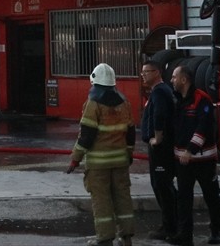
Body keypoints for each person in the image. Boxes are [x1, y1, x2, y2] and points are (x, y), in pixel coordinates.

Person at [66, 62, 136, 246]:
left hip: (98, 165)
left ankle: (105, 239)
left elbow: (86, 136)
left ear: (94, 81)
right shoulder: (125, 102)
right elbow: (130, 132)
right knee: (123, 197)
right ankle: (126, 237)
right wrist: (129, 154)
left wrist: (75, 159)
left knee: (102, 200)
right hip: (120, 161)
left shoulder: (93, 103)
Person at [172, 63, 220, 245]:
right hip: (183, 160)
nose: (172, 80)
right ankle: (185, 235)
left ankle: (216, 230)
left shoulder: (202, 100)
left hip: (203, 159)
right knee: (183, 198)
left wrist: (190, 150)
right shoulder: (177, 99)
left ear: (184, 79)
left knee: (211, 195)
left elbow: (204, 127)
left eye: (174, 77)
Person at [140, 57, 178, 243]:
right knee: (162, 186)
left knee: (162, 186)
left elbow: (159, 115)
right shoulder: (159, 91)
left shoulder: (160, 92)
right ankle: (171, 224)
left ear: (156, 73)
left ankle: (170, 227)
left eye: (146, 72)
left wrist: (157, 138)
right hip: (161, 147)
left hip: (161, 149)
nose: (143, 75)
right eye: (142, 72)